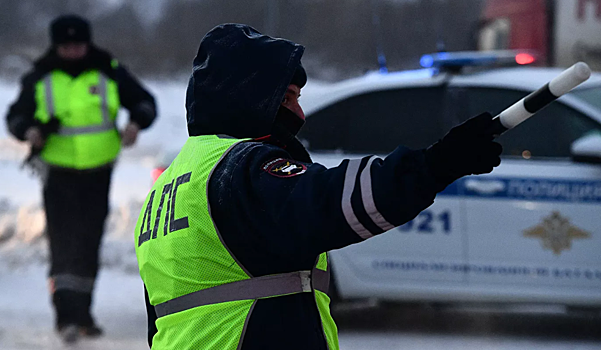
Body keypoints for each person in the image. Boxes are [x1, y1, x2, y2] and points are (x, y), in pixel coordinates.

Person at [134, 24, 501, 350]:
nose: (300, 116)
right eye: (288, 98)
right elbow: (330, 202)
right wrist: (437, 164)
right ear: (251, 99)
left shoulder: (168, 189)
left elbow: (159, 322)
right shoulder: (242, 170)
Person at [5, 14, 157, 343]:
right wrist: (28, 130)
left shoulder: (109, 70)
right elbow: (15, 116)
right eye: (66, 45)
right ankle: (66, 317)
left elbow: (145, 102)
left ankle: (83, 314)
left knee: (88, 242)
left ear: (87, 43)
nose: (73, 50)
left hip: (98, 172)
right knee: (64, 243)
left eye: (78, 44)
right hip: (58, 173)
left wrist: (136, 123)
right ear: (56, 46)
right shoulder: (40, 77)